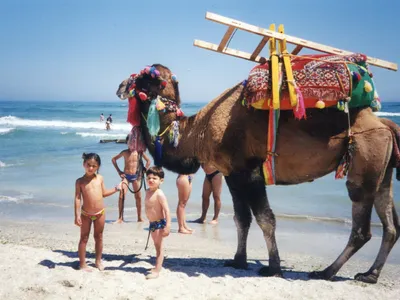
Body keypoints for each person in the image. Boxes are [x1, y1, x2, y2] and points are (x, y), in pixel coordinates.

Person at [74, 152, 122, 271]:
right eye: (88, 165)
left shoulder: (100, 178)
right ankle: (82, 263)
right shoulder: (80, 181)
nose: (91, 168)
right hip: (85, 214)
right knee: (84, 238)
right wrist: (77, 215)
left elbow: (104, 193)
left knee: (99, 237)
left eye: (94, 166)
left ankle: (98, 261)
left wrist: (116, 189)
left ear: (98, 167)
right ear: (83, 164)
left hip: (100, 213)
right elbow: (77, 198)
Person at [112, 140, 151, 223]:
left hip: (136, 177)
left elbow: (148, 161)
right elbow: (113, 159)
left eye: (133, 143)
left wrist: (145, 169)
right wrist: (119, 171)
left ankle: (139, 217)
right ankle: (120, 218)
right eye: (130, 143)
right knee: (121, 195)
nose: (131, 145)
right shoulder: (124, 152)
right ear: (127, 143)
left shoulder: (139, 152)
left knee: (138, 197)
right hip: (126, 176)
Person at [144, 166, 171, 279]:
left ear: (161, 181)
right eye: (149, 178)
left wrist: (168, 225)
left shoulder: (159, 193)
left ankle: (157, 270)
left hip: (159, 223)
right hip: (152, 224)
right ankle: (157, 266)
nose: (151, 180)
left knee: (159, 247)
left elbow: (167, 210)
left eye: (154, 178)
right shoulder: (147, 191)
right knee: (156, 245)